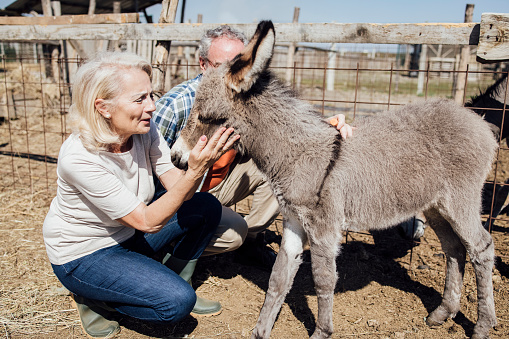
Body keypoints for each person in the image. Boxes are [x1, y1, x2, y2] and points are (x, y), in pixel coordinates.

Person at [42, 52, 239, 338]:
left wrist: (199, 166)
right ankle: (94, 297)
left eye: (151, 95)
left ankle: (166, 277)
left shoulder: (143, 129)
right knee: (176, 303)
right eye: (139, 99)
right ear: (104, 107)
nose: (152, 106)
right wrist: (195, 171)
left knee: (205, 206)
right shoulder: (80, 157)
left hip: (126, 235)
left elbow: (174, 183)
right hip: (86, 254)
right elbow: (147, 221)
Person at [153, 25, 354, 271]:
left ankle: (251, 242)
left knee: (279, 162)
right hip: (174, 192)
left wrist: (327, 128)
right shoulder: (176, 104)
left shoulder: (241, 99)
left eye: (237, 67)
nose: (231, 77)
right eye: (220, 66)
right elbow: (145, 169)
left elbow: (280, 135)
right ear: (203, 64)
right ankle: (163, 252)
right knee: (232, 233)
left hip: (213, 185)